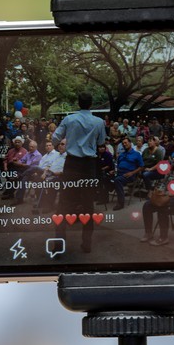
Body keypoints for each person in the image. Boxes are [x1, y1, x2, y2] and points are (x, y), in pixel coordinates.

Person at [52, 92, 107, 253]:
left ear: (78, 103)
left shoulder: (69, 119)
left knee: (64, 204)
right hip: (89, 165)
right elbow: (101, 142)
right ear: (91, 104)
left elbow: (55, 138)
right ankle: (87, 244)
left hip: (72, 164)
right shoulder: (99, 122)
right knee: (88, 205)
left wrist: (62, 146)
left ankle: (58, 244)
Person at [140, 149, 174, 246]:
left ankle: (163, 237)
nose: (173, 159)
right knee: (147, 205)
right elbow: (163, 183)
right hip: (167, 197)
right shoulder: (170, 171)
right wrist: (158, 190)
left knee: (163, 208)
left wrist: (172, 194)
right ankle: (148, 233)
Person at [112, 136, 144, 211]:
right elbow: (118, 164)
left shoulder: (136, 154)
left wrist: (132, 173)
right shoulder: (121, 154)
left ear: (130, 143)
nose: (124, 144)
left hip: (130, 175)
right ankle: (104, 199)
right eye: (123, 143)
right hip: (119, 173)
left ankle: (121, 203)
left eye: (126, 142)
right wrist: (114, 171)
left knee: (117, 180)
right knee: (104, 177)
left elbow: (142, 167)